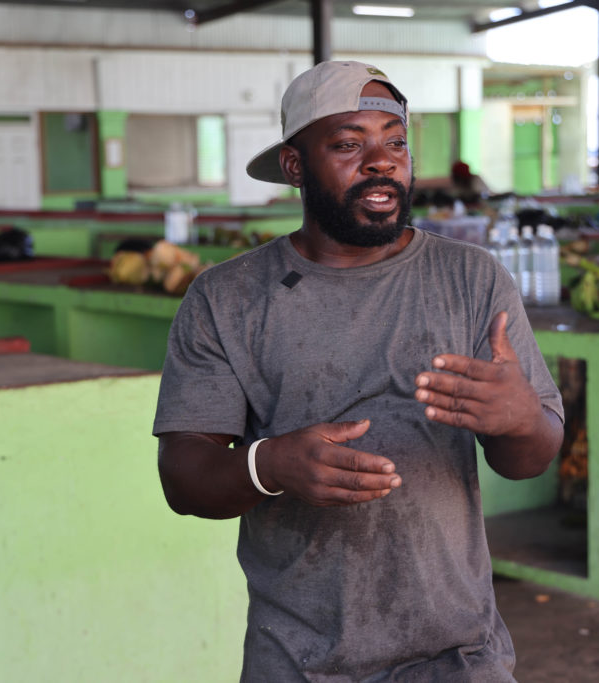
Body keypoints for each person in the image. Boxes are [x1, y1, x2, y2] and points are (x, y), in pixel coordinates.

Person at [153, 60, 564, 682]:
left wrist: (521, 419)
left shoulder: (472, 278)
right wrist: (270, 466)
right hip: (301, 662)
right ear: (295, 165)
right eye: (349, 143)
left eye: (394, 141)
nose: (381, 160)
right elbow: (183, 478)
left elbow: (529, 458)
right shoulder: (227, 298)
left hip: (458, 659)